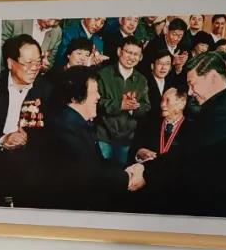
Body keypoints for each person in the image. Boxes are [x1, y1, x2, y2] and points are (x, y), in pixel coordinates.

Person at [33, 66, 145, 211]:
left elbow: (98, 163)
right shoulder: (63, 128)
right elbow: (88, 174)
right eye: (94, 91)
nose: (98, 97)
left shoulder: (74, 123)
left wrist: (130, 168)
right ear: (75, 96)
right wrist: (128, 177)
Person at [180, 51, 226, 217]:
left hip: (218, 205)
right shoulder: (220, 105)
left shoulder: (225, 111)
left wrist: (147, 172)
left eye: (192, 84)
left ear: (212, 76)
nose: (190, 92)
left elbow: (191, 153)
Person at [0, 34, 53, 206]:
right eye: (28, 63)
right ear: (10, 63)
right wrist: (2, 139)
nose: (34, 68)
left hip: (29, 161)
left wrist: (29, 139)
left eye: (38, 62)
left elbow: (52, 133)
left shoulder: (47, 90)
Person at [94, 36, 152, 165]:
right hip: (103, 136)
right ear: (119, 51)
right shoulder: (103, 74)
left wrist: (133, 107)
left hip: (126, 139)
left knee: (121, 173)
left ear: (141, 57)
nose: (132, 57)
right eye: (129, 52)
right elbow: (96, 103)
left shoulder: (141, 80)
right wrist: (120, 105)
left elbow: (146, 107)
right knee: (102, 171)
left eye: (136, 54)